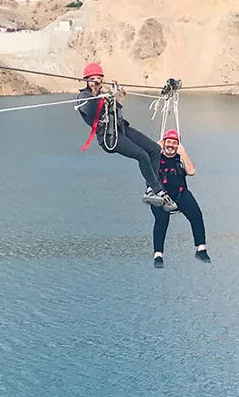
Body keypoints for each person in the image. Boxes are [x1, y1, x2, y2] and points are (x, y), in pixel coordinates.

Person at [75, 62, 177, 212]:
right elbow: (90, 111)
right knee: (142, 155)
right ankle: (158, 190)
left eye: (99, 78)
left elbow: (113, 112)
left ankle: (150, 189)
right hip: (108, 137)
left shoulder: (105, 94)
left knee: (155, 149)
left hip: (121, 128)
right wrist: (96, 92)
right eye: (93, 79)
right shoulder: (83, 97)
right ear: (87, 80)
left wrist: (118, 101)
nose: (97, 81)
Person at [150, 129, 210, 268]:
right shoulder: (155, 158)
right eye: (168, 142)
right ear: (164, 143)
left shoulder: (180, 158)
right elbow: (146, 159)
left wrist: (182, 152)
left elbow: (191, 171)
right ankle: (158, 254)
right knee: (161, 220)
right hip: (160, 196)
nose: (171, 145)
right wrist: (156, 147)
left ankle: (201, 249)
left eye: (174, 143)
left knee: (196, 215)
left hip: (180, 193)